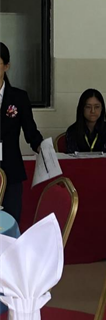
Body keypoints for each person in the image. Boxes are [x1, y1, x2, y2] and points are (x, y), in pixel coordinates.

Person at [0, 42, 44, 223]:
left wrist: (41, 147)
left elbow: (30, 131)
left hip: (11, 169)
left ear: (6, 66)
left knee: (10, 221)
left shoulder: (19, 97)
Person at [64, 89, 106, 153]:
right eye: (88, 107)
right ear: (82, 108)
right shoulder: (72, 131)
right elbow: (71, 156)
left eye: (97, 107)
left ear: (102, 108)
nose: (93, 111)